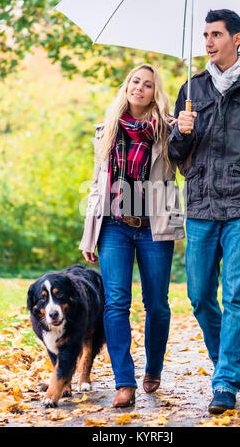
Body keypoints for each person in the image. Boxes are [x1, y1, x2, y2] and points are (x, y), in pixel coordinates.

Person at [168, 9, 240, 414]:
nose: (208, 42)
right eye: (205, 35)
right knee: (199, 296)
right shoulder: (191, 89)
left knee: (237, 296)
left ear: (237, 38)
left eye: (216, 34)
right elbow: (176, 156)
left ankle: (226, 382)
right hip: (200, 203)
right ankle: (225, 366)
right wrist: (179, 133)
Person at [79, 64, 184, 408]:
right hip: (114, 226)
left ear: (156, 92)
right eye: (135, 81)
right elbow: (97, 184)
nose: (139, 87)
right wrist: (89, 234)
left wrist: (185, 132)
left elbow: (185, 164)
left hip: (154, 227)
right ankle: (124, 382)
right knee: (116, 303)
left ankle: (153, 368)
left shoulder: (167, 131)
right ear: (127, 86)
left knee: (156, 305)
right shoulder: (106, 129)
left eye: (148, 84)